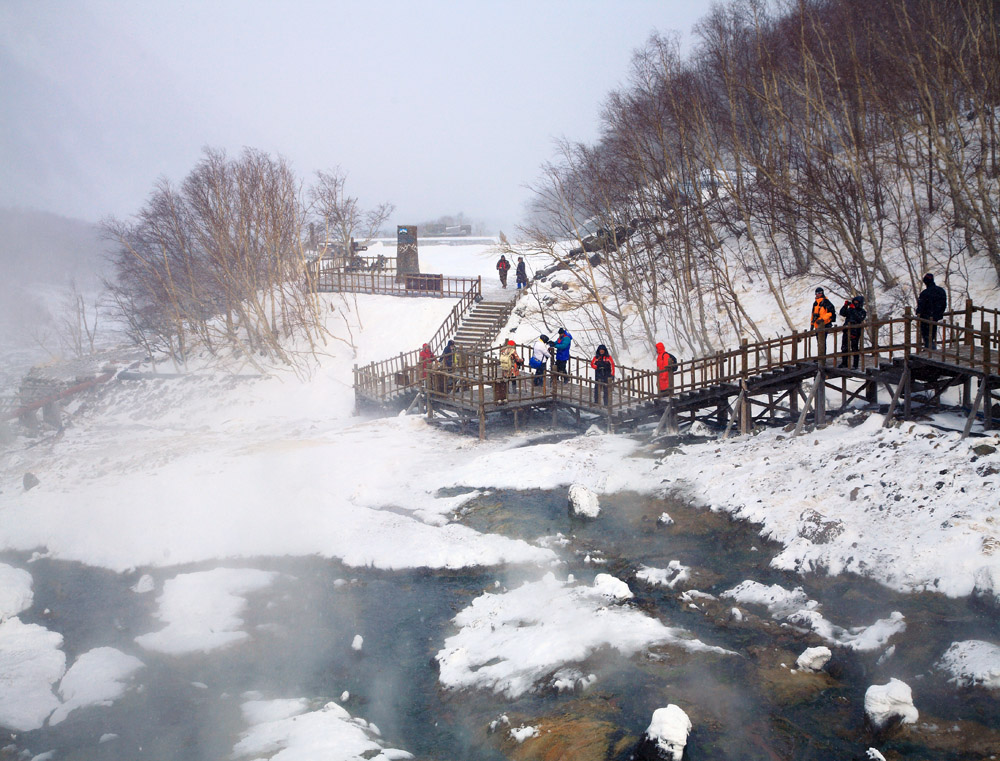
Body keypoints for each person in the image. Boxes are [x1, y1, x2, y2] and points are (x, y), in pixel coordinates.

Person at [916, 272, 947, 350]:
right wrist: (938, 313)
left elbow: (921, 307)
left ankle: (929, 350)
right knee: (932, 333)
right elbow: (943, 304)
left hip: (925, 318)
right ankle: (930, 349)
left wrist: (919, 313)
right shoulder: (941, 291)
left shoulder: (924, 293)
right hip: (935, 317)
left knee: (927, 335)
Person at [838, 296, 867, 369]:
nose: (855, 303)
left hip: (855, 331)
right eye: (854, 302)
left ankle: (855, 364)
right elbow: (842, 313)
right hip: (847, 329)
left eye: (856, 302)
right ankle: (844, 363)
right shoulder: (850, 309)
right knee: (844, 347)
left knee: (854, 347)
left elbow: (860, 318)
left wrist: (853, 309)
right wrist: (845, 306)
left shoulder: (862, 311)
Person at [810, 287, 836, 357]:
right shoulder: (815, 303)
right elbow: (813, 314)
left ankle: (822, 357)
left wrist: (822, 319)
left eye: (820, 293)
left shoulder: (826, 302)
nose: (818, 294)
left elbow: (831, 313)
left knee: (822, 341)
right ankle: (820, 356)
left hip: (825, 324)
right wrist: (812, 324)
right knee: (819, 342)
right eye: (817, 293)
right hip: (817, 325)